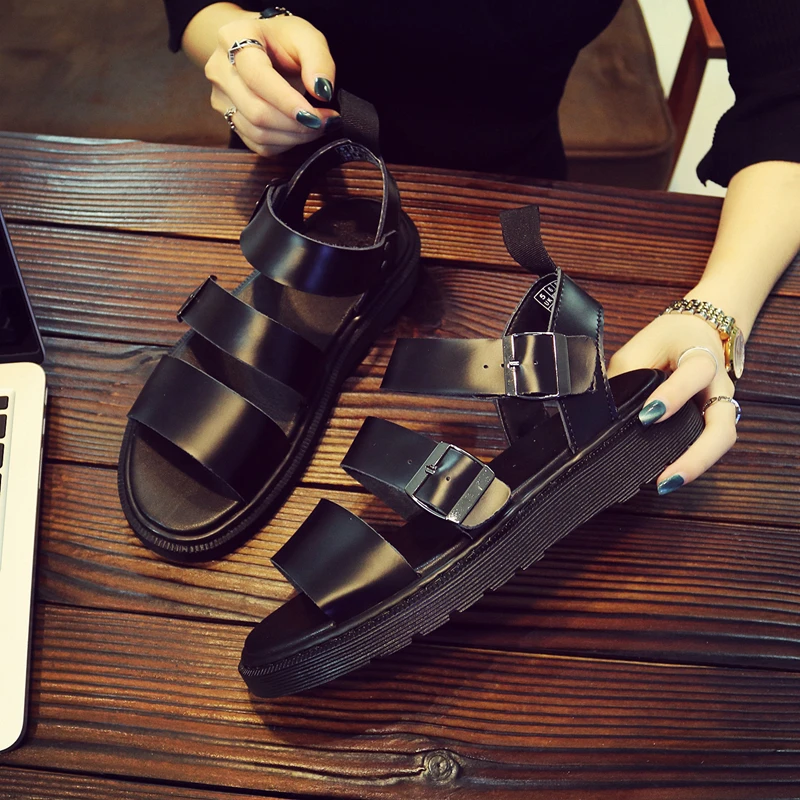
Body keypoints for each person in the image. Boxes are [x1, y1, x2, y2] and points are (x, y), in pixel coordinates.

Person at [163, 0, 800, 494]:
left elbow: (788, 87)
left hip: (504, 202)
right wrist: (234, 38)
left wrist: (719, 308)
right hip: (303, 193)